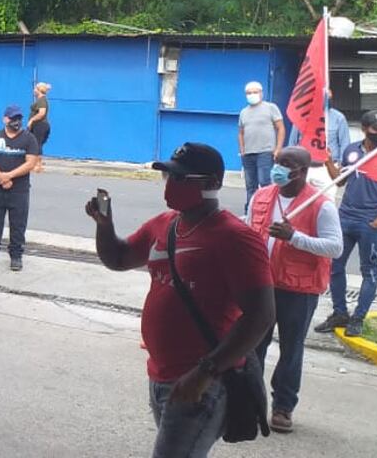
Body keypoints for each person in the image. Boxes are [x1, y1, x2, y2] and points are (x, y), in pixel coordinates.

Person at [85, 142, 275, 458]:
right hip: (162, 375)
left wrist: (205, 373)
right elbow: (118, 258)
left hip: (203, 382)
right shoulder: (165, 224)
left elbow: (261, 315)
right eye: (169, 177)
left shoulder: (235, 237)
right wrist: (105, 227)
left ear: (212, 183)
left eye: (183, 178)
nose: (172, 185)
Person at [245, 146, 343, 434]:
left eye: (286, 164)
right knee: (251, 347)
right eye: (277, 162)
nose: (278, 168)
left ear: (301, 171)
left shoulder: (320, 204)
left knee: (291, 349)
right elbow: (249, 229)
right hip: (261, 284)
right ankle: (250, 402)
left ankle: (283, 407)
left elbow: (335, 247)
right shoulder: (262, 195)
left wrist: (295, 237)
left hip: (299, 289)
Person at [315, 110, 377, 337]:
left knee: (369, 271)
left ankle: (357, 319)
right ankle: (340, 313)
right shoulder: (352, 151)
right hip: (345, 218)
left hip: (371, 223)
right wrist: (328, 160)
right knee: (334, 266)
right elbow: (341, 180)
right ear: (366, 129)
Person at [0, 105, 40, 271]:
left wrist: (9, 176)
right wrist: (0, 176)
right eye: (12, 119)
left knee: (18, 223)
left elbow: (31, 163)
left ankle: (16, 255)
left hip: (19, 189)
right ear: (5, 119)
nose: (16, 122)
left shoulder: (28, 138)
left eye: (19, 119)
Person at [286, 88, 350, 200]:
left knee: (327, 202)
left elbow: (344, 143)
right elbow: (293, 142)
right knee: (298, 202)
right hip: (303, 167)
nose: (327, 98)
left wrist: (341, 165)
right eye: (324, 96)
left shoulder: (338, 118)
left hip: (327, 169)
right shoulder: (302, 116)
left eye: (329, 96)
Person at [239, 81, 285, 211]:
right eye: (249, 93)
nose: (252, 95)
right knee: (250, 185)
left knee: (265, 182)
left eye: (255, 92)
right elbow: (241, 133)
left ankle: (266, 209)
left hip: (265, 152)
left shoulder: (271, 107)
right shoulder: (243, 112)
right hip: (248, 154)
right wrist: (242, 150)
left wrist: (278, 149)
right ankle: (250, 210)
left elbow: (281, 128)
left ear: (261, 93)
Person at [27, 82, 52, 172]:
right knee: (34, 143)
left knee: (37, 143)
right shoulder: (39, 100)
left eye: (35, 89)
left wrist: (31, 120)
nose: (34, 90)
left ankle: (38, 165)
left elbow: (41, 113)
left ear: (39, 90)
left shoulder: (42, 100)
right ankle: (33, 164)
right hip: (37, 125)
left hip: (40, 125)